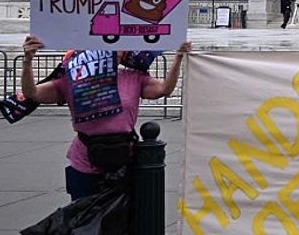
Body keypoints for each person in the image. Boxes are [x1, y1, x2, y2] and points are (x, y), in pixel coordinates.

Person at [19, 36, 190, 200]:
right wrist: (28, 60)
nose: (112, 52)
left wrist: (178, 58)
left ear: (124, 54)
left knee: (125, 220)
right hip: (85, 161)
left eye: (118, 48)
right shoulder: (72, 79)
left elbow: (164, 89)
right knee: (84, 218)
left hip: (125, 159)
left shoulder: (134, 78)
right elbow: (32, 93)